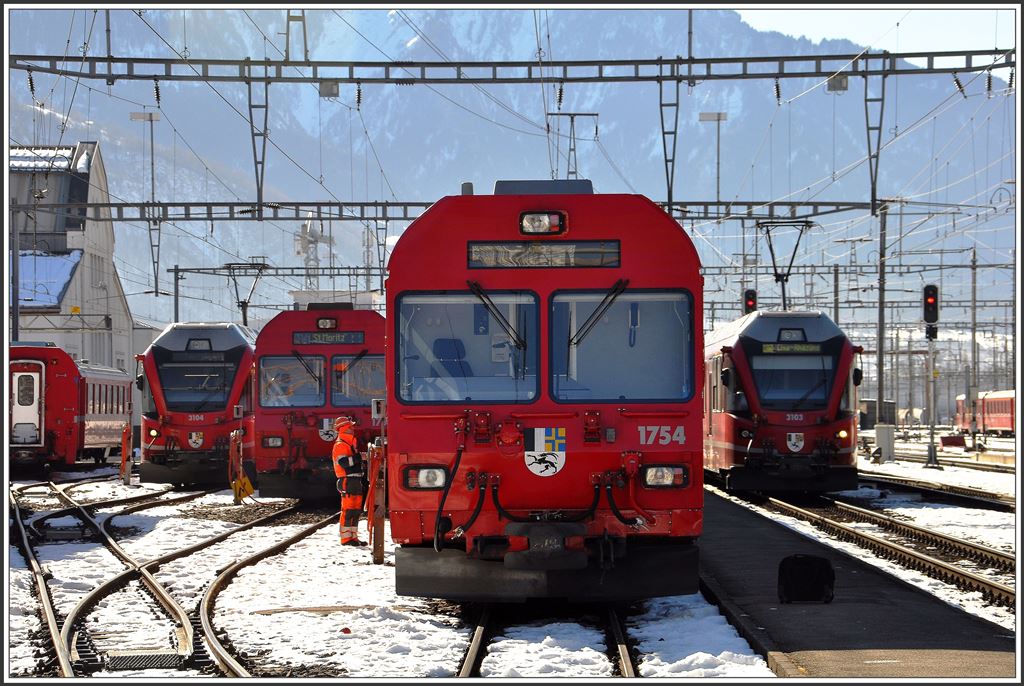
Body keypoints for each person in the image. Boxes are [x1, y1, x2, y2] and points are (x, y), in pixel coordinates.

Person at [332, 416, 366, 546]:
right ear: (344, 428)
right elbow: (344, 463)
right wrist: (359, 457)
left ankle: (353, 537)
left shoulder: (349, 443)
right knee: (348, 510)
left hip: (354, 480)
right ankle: (346, 539)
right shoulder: (341, 445)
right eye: (350, 426)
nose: (353, 428)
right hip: (348, 480)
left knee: (355, 510)